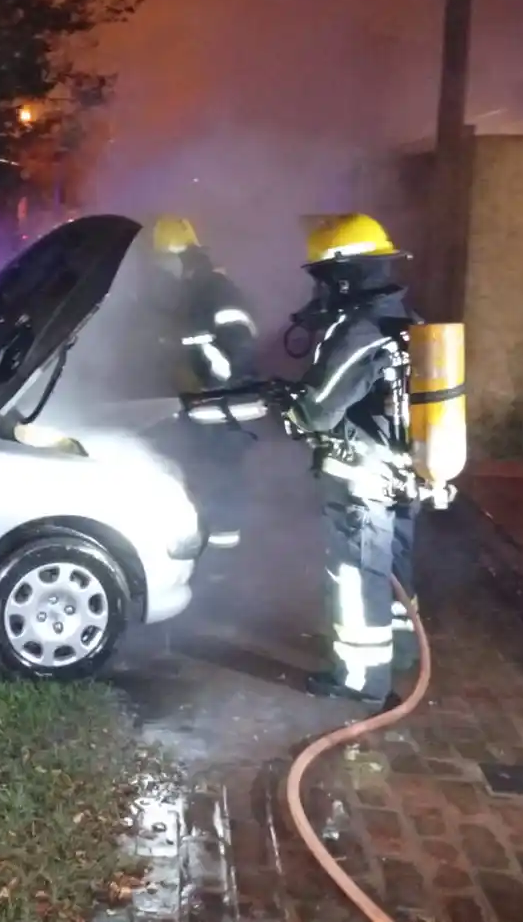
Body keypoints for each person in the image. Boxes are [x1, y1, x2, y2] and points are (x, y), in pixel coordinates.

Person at [282, 213, 420, 707]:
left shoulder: (360, 332)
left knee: (357, 578)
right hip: (401, 476)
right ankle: (399, 651)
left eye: (323, 276)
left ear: (344, 274)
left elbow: (318, 411)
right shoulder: (404, 318)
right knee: (392, 572)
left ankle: (360, 680)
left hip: (362, 484)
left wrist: (293, 414)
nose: (320, 288)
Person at [148, 215, 260, 551]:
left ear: (181, 257)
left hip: (223, 411)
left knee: (221, 492)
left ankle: (221, 575)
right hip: (205, 410)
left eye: (164, 261)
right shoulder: (191, 292)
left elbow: (239, 346)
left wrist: (208, 381)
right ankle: (207, 560)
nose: (161, 271)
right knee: (202, 489)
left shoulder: (216, 291)